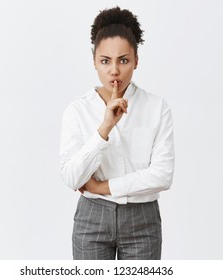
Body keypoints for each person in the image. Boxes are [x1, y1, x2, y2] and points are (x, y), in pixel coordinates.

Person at [59, 6, 174, 260]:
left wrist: (102, 186)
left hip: (142, 221)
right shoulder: (77, 110)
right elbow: (70, 176)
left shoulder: (157, 108)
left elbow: (163, 175)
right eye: (105, 61)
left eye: (123, 60)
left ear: (136, 60)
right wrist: (105, 128)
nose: (114, 70)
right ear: (94, 61)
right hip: (92, 221)